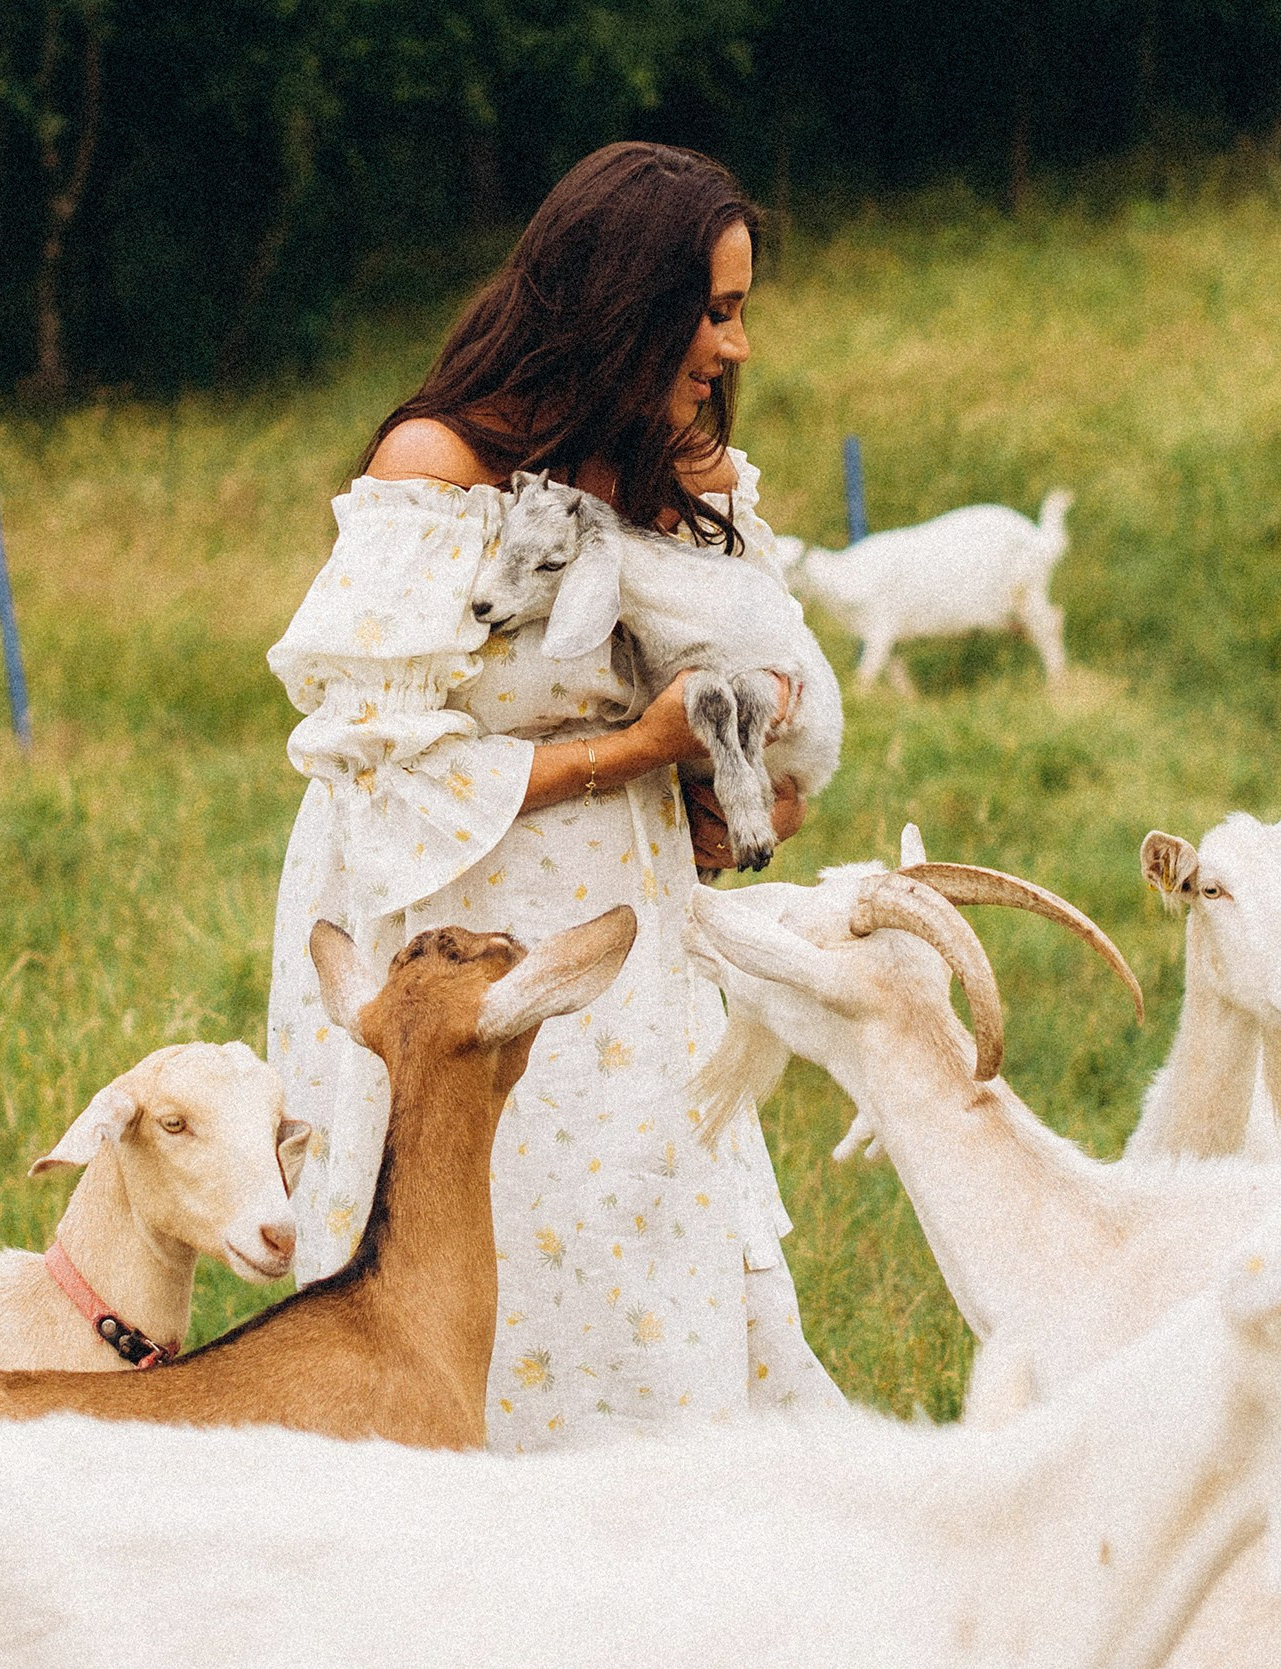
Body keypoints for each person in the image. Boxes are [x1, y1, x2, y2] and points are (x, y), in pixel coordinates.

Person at [263, 141, 843, 1452]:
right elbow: (376, 766)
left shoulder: (685, 482)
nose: (736, 346)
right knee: (480, 1259)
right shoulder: (440, 471)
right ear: (625, 304)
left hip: (630, 955)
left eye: (741, 307)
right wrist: (630, 752)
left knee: (637, 1261)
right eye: (714, 309)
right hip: (458, 950)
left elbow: (755, 776)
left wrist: (731, 788)